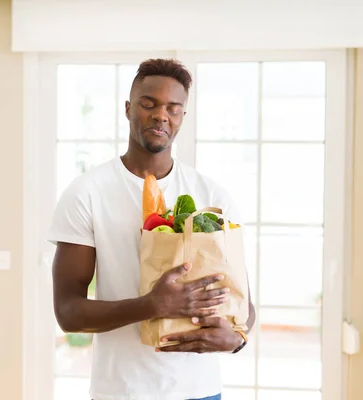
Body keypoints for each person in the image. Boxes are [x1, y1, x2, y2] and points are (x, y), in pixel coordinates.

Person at [47, 58, 256, 400]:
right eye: (149, 104)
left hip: (201, 391)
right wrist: (152, 305)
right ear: (128, 109)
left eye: (174, 108)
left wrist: (237, 339)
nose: (162, 115)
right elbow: (68, 312)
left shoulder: (213, 196)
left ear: (182, 118)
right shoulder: (87, 192)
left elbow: (244, 304)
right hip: (123, 391)